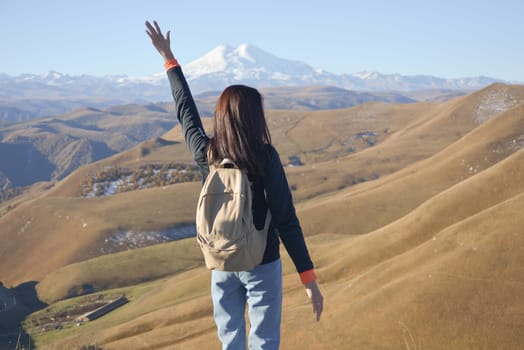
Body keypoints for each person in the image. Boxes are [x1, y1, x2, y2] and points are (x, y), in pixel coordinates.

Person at [145, 20, 323, 349]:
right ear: (255, 118)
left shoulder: (206, 152)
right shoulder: (264, 157)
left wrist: (169, 59)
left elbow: (186, 112)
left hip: (222, 262)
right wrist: (308, 277)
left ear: (222, 117)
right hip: (262, 263)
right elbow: (286, 219)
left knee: (230, 343)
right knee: (264, 341)